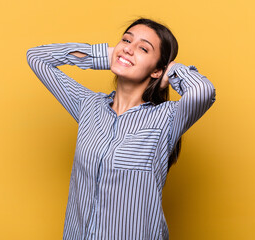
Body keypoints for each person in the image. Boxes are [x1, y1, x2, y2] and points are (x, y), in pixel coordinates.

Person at [26, 17, 216, 240]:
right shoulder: (88, 106)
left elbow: (204, 91)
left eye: (143, 48)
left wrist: (171, 71)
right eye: (126, 40)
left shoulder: (166, 118)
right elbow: (37, 57)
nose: (129, 49)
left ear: (156, 70)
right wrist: (107, 56)